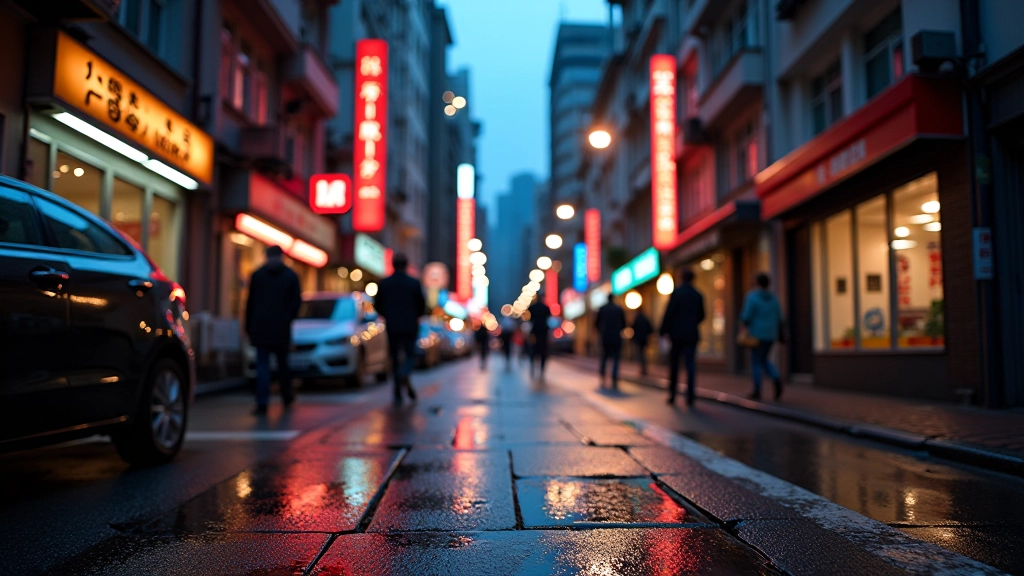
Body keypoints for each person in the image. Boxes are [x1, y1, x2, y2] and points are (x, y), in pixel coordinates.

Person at [245, 244, 302, 416]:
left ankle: (262, 402)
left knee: (263, 366)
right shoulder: (290, 276)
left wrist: (248, 326)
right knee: (283, 364)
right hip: (281, 328)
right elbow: (296, 302)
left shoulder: (257, 275)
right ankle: (286, 396)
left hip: (261, 328)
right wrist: (288, 318)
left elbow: (250, 303)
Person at [374, 252, 426, 404]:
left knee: (395, 358)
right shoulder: (414, 283)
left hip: (392, 326)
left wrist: (388, 315)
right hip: (409, 326)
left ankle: (398, 391)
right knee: (410, 356)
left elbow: (377, 305)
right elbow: (422, 306)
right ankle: (403, 377)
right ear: (406, 264)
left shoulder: (385, 283)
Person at [660, 269, 705, 407]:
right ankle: (690, 397)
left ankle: (673, 395)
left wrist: (664, 330)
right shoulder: (697, 295)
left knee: (674, 366)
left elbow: (669, 313)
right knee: (690, 365)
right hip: (691, 335)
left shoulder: (677, 294)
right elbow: (702, 315)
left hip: (677, 335)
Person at [741, 273, 784, 401]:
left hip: (756, 335)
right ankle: (776, 377)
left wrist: (743, 325)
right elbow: (780, 317)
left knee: (757, 362)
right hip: (770, 334)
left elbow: (746, 316)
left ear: (757, 283)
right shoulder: (774, 298)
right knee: (764, 359)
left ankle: (757, 390)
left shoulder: (752, 297)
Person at [596, 293, 627, 389]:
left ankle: (603, 375)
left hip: (605, 337)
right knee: (616, 358)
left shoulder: (602, 309)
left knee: (604, 357)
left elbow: (596, 324)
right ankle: (614, 377)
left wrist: (601, 332)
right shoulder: (618, 309)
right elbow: (624, 324)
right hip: (616, 338)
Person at [526, 294, 552, 379]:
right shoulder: (546, 308)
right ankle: (541, 370)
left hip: (535, 331)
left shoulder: (532, 307)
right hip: (544, 331)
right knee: (543, 351)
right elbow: (549, 318)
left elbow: (529, 318)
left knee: (533, 350)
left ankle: (533, 367)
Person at [631, 310, 654, 376]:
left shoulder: (637, 319)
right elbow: (650, 329)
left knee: (641, 354)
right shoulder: (645, 319)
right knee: (643, 354)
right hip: (644, 339)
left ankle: (643, 369)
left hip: (638, 339)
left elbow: (633, 328)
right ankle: (644, 368)